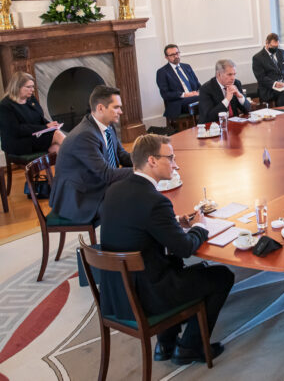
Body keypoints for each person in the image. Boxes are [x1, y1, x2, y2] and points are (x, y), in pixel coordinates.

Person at [99, 134, 234, 365]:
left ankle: (166, 343)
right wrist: (200, 227)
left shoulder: (115, 190)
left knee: (175, 266)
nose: (175, 164)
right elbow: (184, 248)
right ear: (152, 161)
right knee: (222, 276)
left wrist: (173, 222)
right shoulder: (154, 201)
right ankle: (190, 346)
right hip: (146, 296)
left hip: (116, 293)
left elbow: (136, 228)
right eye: (170, 158)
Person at [49, 85, 132, 225]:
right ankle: (119, 243)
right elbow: (108, 174)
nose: (121, 112)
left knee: (140, 189)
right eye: (116, 107)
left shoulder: (108, 126)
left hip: (94, 184)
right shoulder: (85, 135)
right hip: (80, 198)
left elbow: (122, 155)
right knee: (132, 198)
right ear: (100, 108)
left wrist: (146, 160)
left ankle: (131, 238)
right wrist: (145, 171)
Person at [0, 72, 65, 156]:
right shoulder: (5, 105)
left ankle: (68, 168)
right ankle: (79, 155)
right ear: (17, 87)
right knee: (57, 134)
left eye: (33, 86)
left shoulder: (31, 99)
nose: (32, 90)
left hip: (34, 136)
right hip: (18, 142)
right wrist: (45, 127)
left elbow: (39, 118)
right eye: (28, 87)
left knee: (56, 148)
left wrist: (50, 125)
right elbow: (17, 130)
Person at [197, 59, 251, 124]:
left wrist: (240, 96)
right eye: (229, 74)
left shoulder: (236, 83)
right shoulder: (206, 89)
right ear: (218, 74)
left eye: (234, 74)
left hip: (233, 125)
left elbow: (247, 110)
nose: (233, 78)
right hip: (213, 128)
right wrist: (227, 100)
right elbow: (209, 117)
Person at [156, 44, 201, 119]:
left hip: (194, 98)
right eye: (172, 55)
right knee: (203, 99)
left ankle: (207, 125)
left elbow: (198, 85)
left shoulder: (187, 67)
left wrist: (200, 92)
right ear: (166, 57)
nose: (176, 56)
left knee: (210, 95)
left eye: (177, 53)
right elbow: (165, 94)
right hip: (179, 103)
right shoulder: (162, 72)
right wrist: (185, 95)